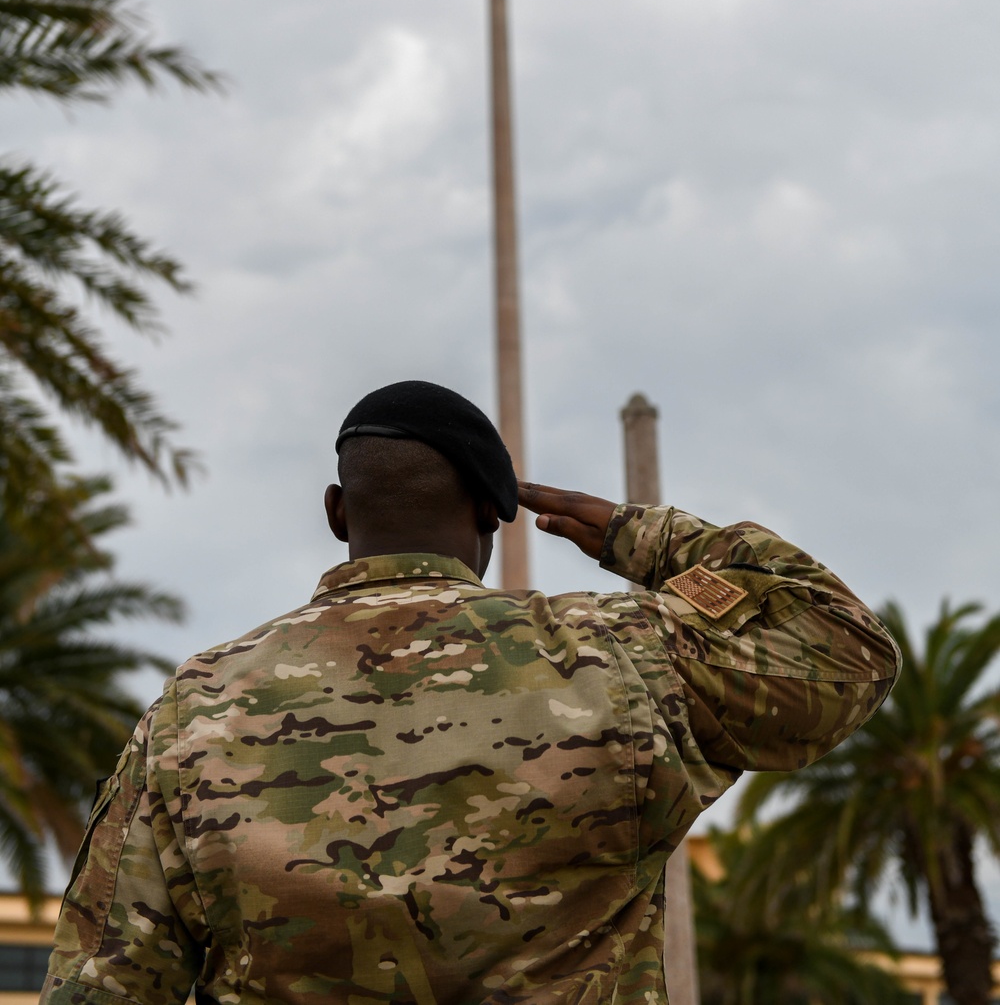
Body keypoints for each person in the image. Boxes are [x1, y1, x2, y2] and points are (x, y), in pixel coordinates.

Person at [42, 380, 899, 1005]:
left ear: (340, 513)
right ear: (492, 517)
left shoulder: (197, 706)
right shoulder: (621, 658)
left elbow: (104, 984)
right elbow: (844, 648)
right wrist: (646, 536)